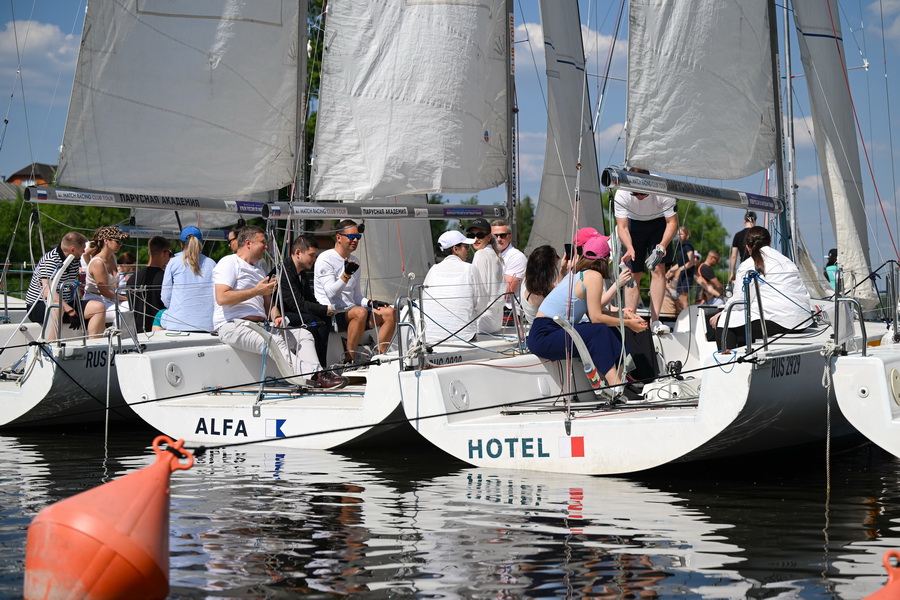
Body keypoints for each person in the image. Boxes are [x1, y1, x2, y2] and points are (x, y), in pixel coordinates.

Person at [213, 225, 346, 389]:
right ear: (248, 243)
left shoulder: (260, 270)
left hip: (259, 325)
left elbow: (269, 304)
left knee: (303, 334)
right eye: (263, 242)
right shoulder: (229, 262)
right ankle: (315, 375)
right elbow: (222, 297)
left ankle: (311, 378)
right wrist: (257, 290)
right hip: (233, 325)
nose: (266, 246)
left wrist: (276, 317)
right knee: (273, 340)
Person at [527, 236, 645, 388]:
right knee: (598, 330)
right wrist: (629, 324)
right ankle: (615, 385)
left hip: (546, 332)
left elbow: (594, 313)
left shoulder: (578, 274)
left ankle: (623, 377)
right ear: (606, 258)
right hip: (545, 335)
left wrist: (624, 316)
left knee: (607, 329)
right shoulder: (593, 276)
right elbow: (596, 318)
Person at [710, 226, 811, 350]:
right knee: (740, 318)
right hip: (802, 321)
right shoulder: (787, 261)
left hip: (781, 323)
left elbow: (740, 301)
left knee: (724, 320)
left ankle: (727, 364)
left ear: (747, 247)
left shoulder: (747, 264)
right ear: (770, 243)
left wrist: (724, 311)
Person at [314, 219, 396, 364]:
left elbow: (357, 297)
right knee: (360, 312)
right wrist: (346, 275)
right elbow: (331, 293)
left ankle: (378, 357)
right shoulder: (325, 259)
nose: (355, 240)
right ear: (339, 237)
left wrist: (370, 302)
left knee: (389, 312)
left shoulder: (354, 260)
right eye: (351, 237)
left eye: (358, 237)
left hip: (352, 312)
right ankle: (349, 360)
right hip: (332, 313)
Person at [613, 168, 678, 334]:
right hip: (633, 226)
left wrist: (662, 245)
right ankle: (630, 317)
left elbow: (671, 222)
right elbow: (622, 226)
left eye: (643, 194)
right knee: (633, 273)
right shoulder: (622, 193)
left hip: (658, 224)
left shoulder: (664, 188)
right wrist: (629, 247)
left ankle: (655, 320)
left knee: (658, 269)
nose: (640, 197)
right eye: (636, 194)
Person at [275, 235, 335, 366]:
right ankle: (313, 367)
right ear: (298, 253)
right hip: (280, 314)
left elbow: (309, 299)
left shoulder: (301, 273)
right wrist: (325, 309)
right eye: (312, 255)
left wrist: (327, 311)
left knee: (324, 319)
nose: (314, 259)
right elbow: (297, 304)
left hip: (294, 312)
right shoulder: (283, 271)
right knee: (312, 321)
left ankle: (321, 365)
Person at [25, 231, 88, 339]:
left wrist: (75, 304)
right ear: (72, 249)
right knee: (57, 308)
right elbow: (48, 292)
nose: (84, 251)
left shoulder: (74, 260)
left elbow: (72, 286)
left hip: (66, 303)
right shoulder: (51, 259)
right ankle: (51, 347)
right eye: (82, 248)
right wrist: (70, 310)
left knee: (98, 307)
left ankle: (93, 346)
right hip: (38, 305)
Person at [421, 230, 478, 345]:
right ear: (455, 249)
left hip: (430, 337)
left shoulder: (433, 270)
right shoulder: (469, 268)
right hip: (464, 337)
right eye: (466, 247)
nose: (468, 250)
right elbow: (480, 303)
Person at [160, 226, 216, 332]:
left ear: (181, 243)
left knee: (158, 318)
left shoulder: (173, 262)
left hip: (178, 324)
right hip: (207, 324)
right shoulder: (211, 263)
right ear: (201, 243)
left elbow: (165, 297)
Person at [83, 226, 130, 337]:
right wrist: (128, 298)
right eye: (117, 241)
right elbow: (105, 292)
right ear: (106, 241)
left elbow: (113, 288)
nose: (120, 245)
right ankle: (117, 339)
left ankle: (122, 338)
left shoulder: (112, 257)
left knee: (130, 306)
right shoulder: (98, 262)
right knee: (127, 308)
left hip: (109, 300)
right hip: (96, 300)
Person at [466, 218, 505, 334]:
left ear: (488, 237)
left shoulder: (480, 254)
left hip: (484, 320)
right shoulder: (494, 254)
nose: (476, 239)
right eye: (471, 235)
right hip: (496, 319)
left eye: (480, 235)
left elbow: (479, 292)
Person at [130, 236, 171, 333]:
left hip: (136, 333)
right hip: (158, 331)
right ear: (165, 253)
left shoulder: (132, 279)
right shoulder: (166, 279)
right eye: (170, 254)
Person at [522, 245, 567, 324]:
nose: (558, 260)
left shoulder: (529, 282)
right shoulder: (539, 295)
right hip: (544, 331)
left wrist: (563, 269)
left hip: (535, 328)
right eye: (556, 257)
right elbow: (559, 293)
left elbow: (555, 286)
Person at [491, 219, 527, 317]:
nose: (498, 239)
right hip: (492, 310)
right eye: (495, 235)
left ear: (510, 236)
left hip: (511, 313)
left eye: (502, 235)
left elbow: (505, 291)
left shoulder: (517, 256)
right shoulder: (489, 255)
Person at [672, 226, 699, 309]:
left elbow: (691, 262)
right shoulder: (680, 246)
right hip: (683, 275)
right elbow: (681, 263)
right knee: (680, 298)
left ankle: (688, 317)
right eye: (677, 234)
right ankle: (686, 315)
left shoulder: (687, 246)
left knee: (683, 298)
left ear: (687, 235)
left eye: (681, 234)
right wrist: (670, 271)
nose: (679, 235)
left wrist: (680, 269)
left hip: (687, 275)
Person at [728, 210, 757, 284]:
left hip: (743, 267)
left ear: (744, 220)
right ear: (755, 220)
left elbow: (734, 256)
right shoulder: (758, 234)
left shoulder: (738, 235)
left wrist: (732, 273)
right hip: (756, 266)